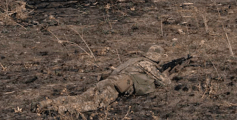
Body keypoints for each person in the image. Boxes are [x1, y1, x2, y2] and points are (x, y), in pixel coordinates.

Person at [35, 45, 176, 114]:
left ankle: (48, 103)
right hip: (112, 87)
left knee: (80, 97)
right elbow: (165, 83)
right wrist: (171, 74)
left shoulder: (135, 60)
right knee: (94, 104)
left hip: (106, 81)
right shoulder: (148, 65)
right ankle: (60, 110)